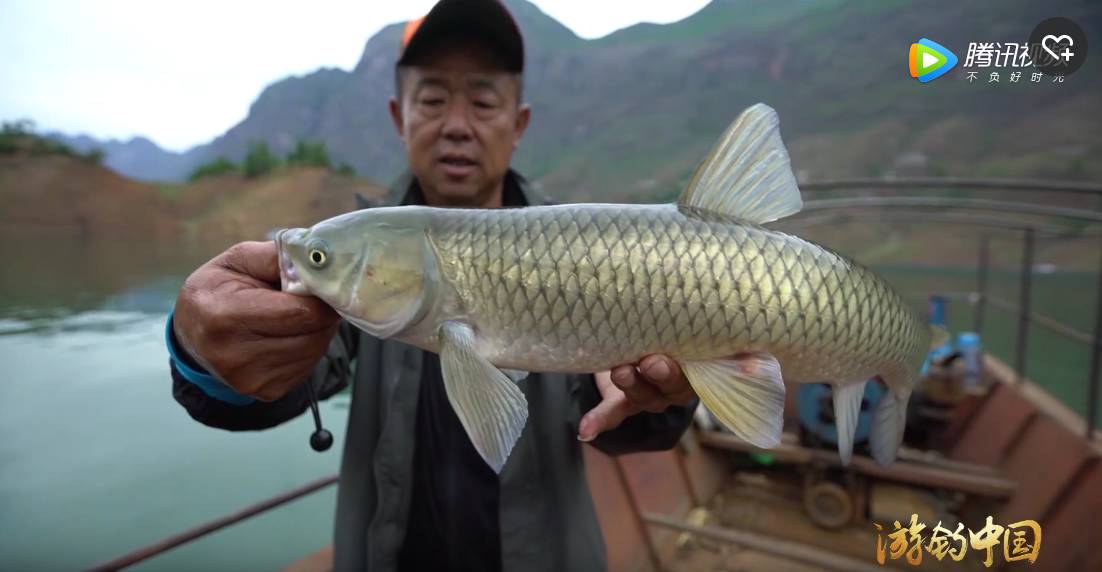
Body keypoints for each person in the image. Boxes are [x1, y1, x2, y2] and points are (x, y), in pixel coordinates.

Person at [166, 1, 698, 570]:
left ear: (518, 123)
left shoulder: (594, 254)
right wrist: (203, 355)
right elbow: (274, 384)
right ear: (401, 117)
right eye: (434, 99)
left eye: (484, 101)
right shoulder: (355, 259)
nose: (457, 125)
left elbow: (614, 418)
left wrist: (657, 399)